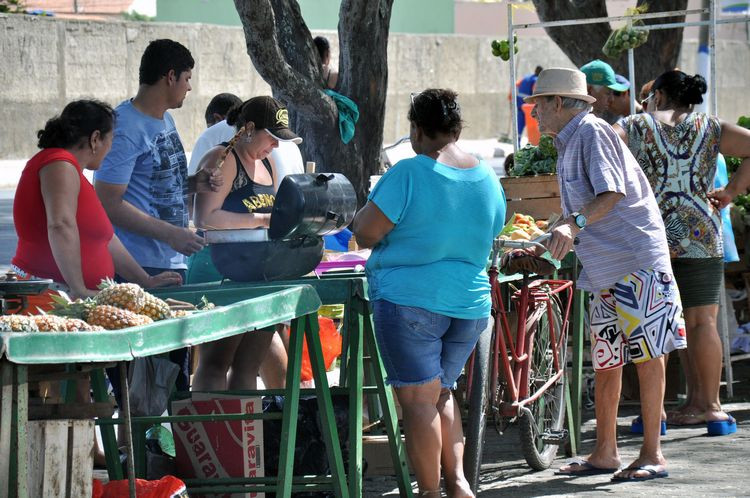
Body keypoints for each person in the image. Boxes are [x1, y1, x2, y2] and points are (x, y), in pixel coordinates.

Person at [528, 68, 685, 481]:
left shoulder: (591, 132)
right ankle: (605, 452)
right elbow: (580, 208)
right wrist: (548, 235)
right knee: (607, 360)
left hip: (635, 261)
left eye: (539, 104)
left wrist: (573, 224)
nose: (535, 113)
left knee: (648, 358)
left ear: (559, 103)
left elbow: (611, 193)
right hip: (605, 269)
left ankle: (653, 454)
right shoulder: (571, 139)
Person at [351, 89, 506, 497]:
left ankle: (430, 493)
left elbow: (365, 231)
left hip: (410, 301)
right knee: (441, 393)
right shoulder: (487, 177)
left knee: (419, 402)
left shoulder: (408, 172)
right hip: (469, 305)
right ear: (456, 129)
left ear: (416, 130)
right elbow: (493, 231)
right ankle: (457, 485)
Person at [614, 70, 750, 434]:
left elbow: (602, 149)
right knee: (703, 322)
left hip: (652, 235)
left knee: (655, 323)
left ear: (657, 95)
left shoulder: (636, 125)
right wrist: (732, 191)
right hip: (703, 232)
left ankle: (654, 414)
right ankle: (711, 408)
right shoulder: (712, 126)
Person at [94, 38, 221, 396]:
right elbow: (106, 203)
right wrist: (169, 233)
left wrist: (194, 183)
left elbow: (157, 182)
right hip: (137, 267)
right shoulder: (124, 127)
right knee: (140, 386)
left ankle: (164, 449)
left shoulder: (164, 121)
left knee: (174, 379)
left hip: (171, 261)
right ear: (170, 77)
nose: (190, 87)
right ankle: (134, 448)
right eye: (187, 78)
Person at [12, 100, 182, 307]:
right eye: (111, 140)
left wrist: (145, 280)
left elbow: (106, 239)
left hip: (65, 297)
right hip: (48, 297)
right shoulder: (59, 163)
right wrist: (78, 288)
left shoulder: (74, 173)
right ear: (95, 139)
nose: (111, 149)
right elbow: (60, 225)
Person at [191, 96, 303, 391]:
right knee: (216, 362)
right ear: (249, 128)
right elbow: (204, 218)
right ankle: (211, 434)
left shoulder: (267, 163)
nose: (277, 146)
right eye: (273, 137)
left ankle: (247, 436)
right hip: (220, 271)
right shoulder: (222, 158)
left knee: (248, 367)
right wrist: (258, 219)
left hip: (257, 272)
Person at [515, 65, 543, 138]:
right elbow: (536, 92)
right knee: (532, 125)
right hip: (528, 104)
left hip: (519, 103)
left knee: (520, 124)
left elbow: (517, 85)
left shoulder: (526, 77)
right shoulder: (536, 79)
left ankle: (517, 142)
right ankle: (533, 141)